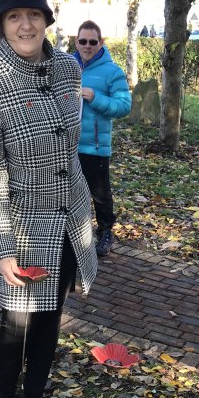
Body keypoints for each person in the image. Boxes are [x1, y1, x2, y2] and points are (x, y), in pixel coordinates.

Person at [0, 0, 97, 398]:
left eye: (34, 15)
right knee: (16, 323)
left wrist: (87, 214)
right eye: (15, 16)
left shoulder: (67, 68)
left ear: (46, 19)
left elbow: (72, 145)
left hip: (69, 220)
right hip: (22, 225)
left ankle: (35, 394)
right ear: (0, 22)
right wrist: (1, 248)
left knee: (50, 319)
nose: (26, 26)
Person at [74, 20, 131, 257]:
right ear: (76, 42)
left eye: (92, 42)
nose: (87, 46)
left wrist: (95, 97)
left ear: (101, 43)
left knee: (100, 193)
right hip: (66, 144)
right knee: (70, 192)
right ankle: (74, 234)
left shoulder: (112, 72)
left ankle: (106, 232)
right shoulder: (66, 66)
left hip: (95, 146)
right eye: (83, 41)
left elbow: (124, 106)